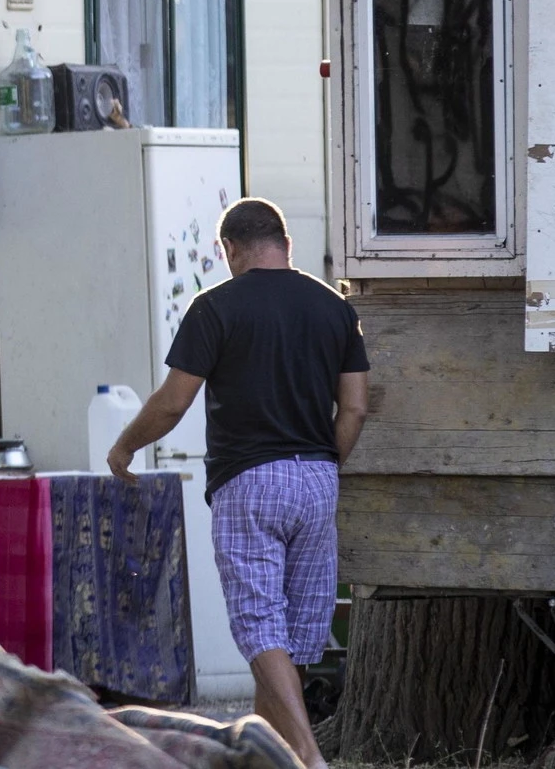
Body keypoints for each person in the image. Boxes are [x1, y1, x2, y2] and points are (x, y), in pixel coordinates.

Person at [107, 197, 369, 769]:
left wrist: (125, 445)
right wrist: (325, 464)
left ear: (229, 249)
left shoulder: (214, 307)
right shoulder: (334, 307)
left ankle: (308, 756)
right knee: (295, 635)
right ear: (286, 244)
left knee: (258, 625)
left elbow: (174, 404)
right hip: (319, 476)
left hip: (248, 480)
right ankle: (265, 754)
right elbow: (353, 409)